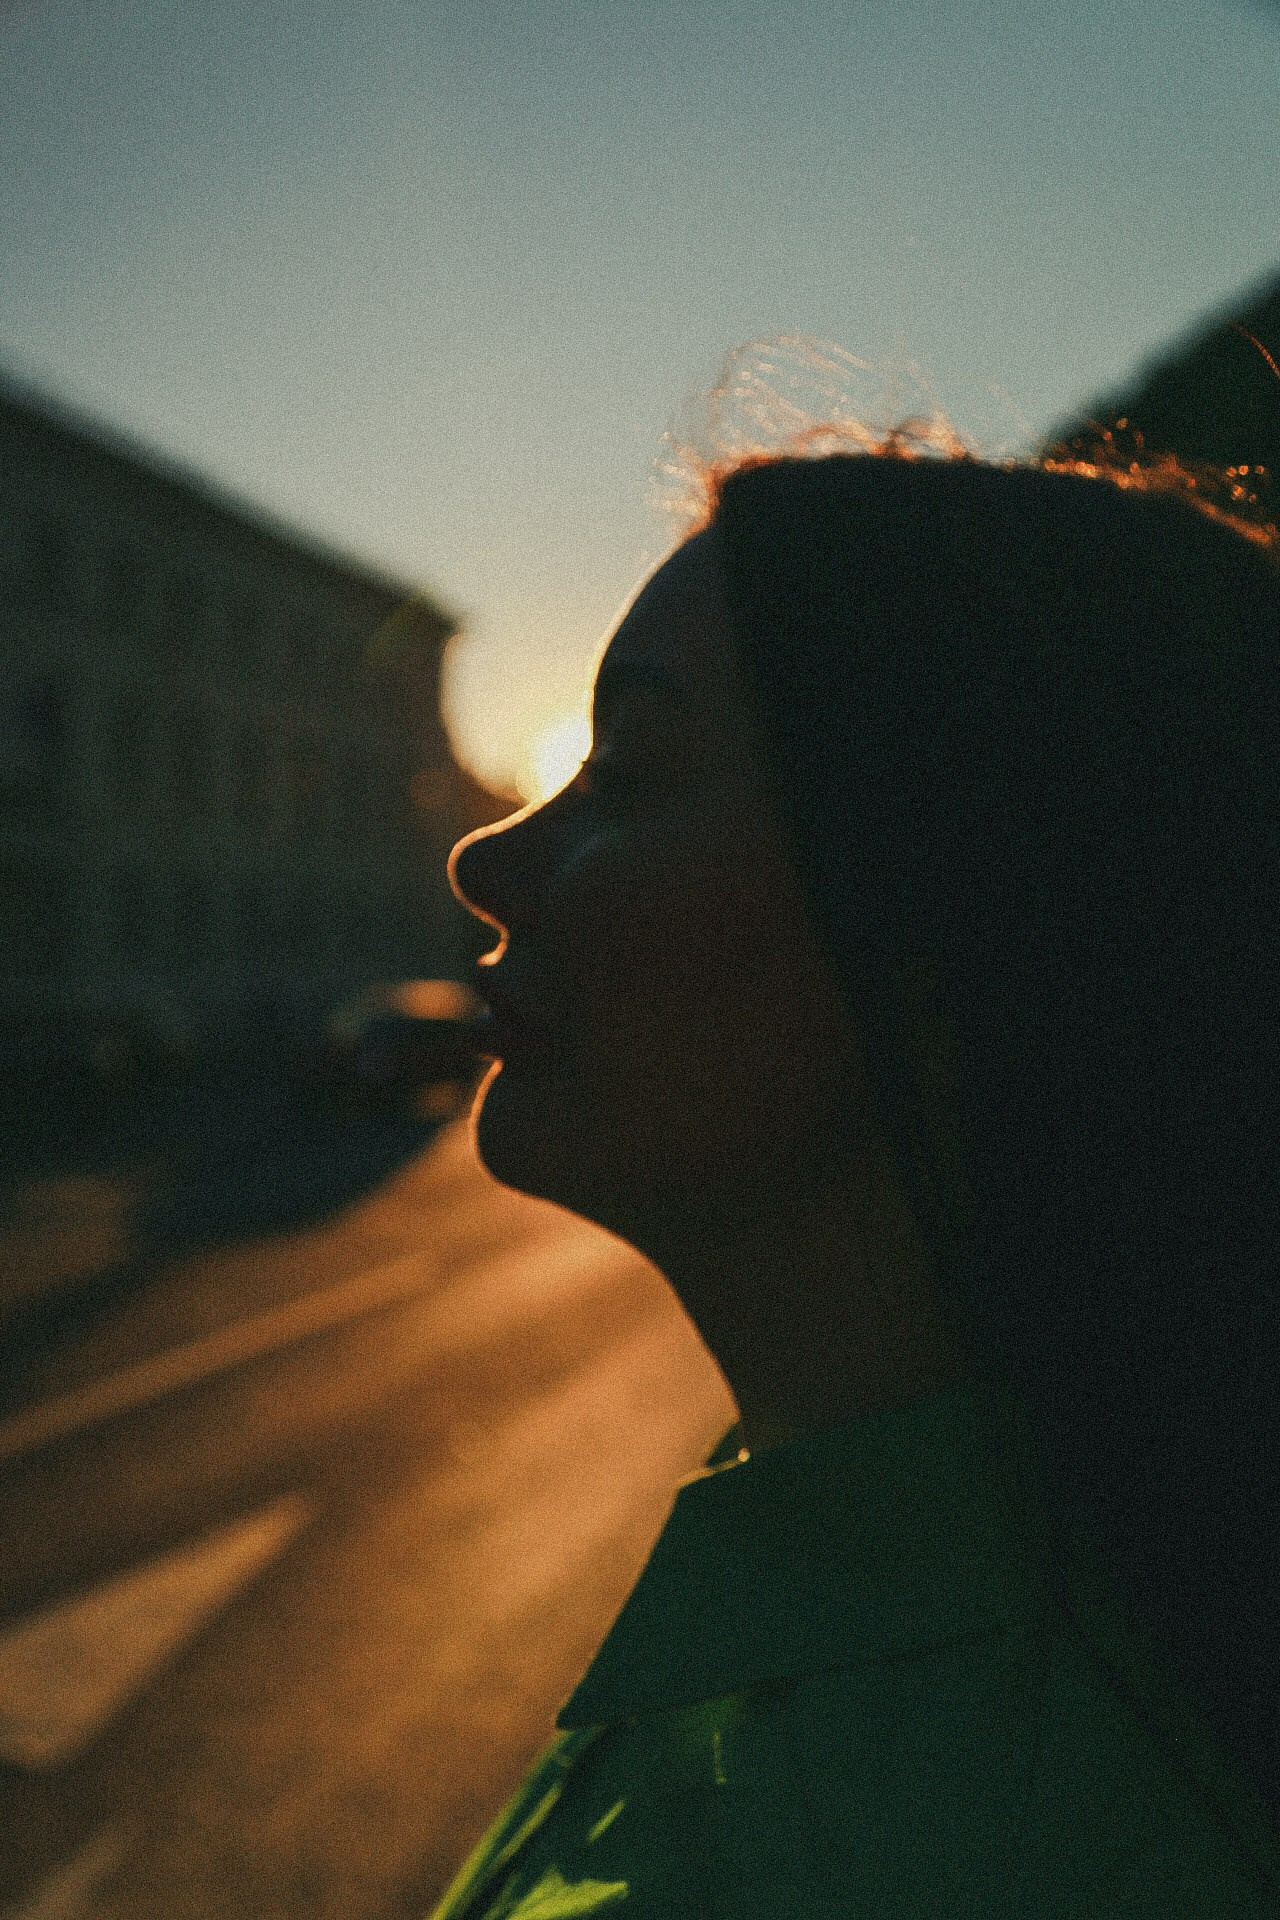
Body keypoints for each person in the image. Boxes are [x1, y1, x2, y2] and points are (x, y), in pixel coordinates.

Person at [434, 426, 1280, 1916]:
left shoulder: (965, 1835)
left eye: (625, 777)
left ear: (973, 943)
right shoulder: (975, 1581)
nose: (484, 858)